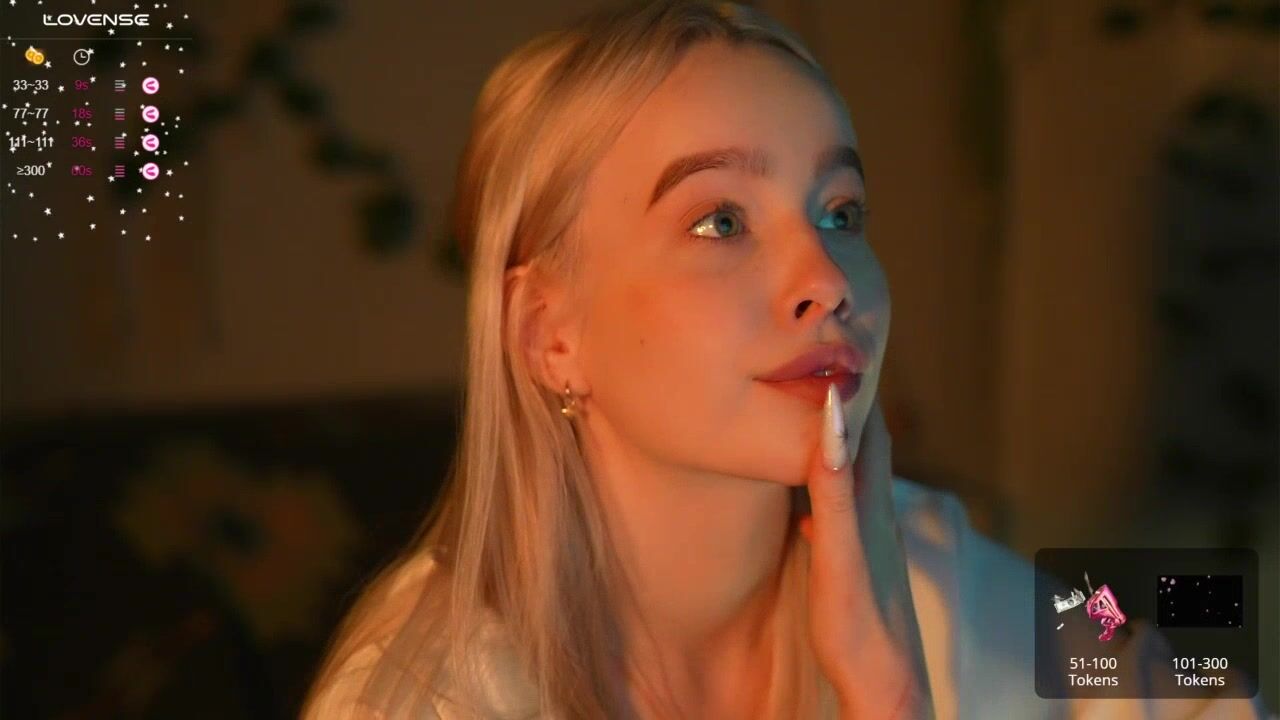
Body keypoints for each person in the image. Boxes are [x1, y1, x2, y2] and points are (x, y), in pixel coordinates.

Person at [300, 1, 1269, 717]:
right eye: (719, 220)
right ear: (549, 333)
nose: (827, 278)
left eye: (840, 212)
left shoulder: (928, 563)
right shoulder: (421, 698)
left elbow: (1207, 690)